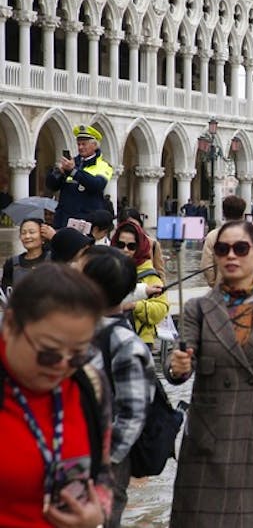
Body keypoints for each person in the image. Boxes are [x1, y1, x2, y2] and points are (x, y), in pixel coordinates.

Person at [166, 220, 253, 526]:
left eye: (241, 248)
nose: (231, 256)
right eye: (222, 249)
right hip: (209, 441)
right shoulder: (197, 309)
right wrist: (177, 368)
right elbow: (179, 366)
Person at [0, 263, 113, 528]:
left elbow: (104, 474)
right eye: (49, 352)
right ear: (11, 325)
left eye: (77, 355)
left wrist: (97, 514)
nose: (62, 366)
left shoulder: (90, 385)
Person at [79, 246, 156, 528]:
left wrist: (107, 459)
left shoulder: (124, 343)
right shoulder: (73, 331)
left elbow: (134, 412)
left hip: (104, 461)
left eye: (79, 274)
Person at [111, 220, 169, 349]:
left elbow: (161, 310)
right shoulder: (107, 267)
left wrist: (136, 306)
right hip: (110, 337)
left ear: (140, 247)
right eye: (120, 245)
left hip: (140, 340)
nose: (125, 250)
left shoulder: (150, 275)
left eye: (131, 246)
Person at [45, 125, 114, 228]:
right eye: (79, 144)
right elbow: (51, 186)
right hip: (64, 220)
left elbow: (97, 185)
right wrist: (58, 172)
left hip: (86, 221)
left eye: (84, 144)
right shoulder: (72, 163)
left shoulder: (103, 166)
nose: (80, 147)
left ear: (95, 146)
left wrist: (73, 172)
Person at [202, 196, 253, 288]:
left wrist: (214, 283)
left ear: (223, 213)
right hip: (249, 286)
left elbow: (207, 265)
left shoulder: (213, 235)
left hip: (222, 288)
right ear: (243, 213)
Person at [2, 218, 50, 291]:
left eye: (32, 232)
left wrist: (54, 236)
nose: (27, 236)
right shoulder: (12, 263)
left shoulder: (53, 259)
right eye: (23, 233)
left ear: (43, 236)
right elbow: (5, 293)